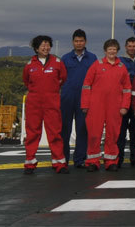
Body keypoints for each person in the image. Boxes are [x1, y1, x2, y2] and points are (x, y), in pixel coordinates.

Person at [81, 39, 131, 172]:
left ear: (117, 51)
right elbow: (86, 85)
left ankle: (111, 161)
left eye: (114, 49)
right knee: (94, 134)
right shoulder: (96, 65)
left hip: (115, 106)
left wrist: (125, 106)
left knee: (113, 134)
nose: (112, 51)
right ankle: (92, 161)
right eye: (110, 49)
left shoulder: (122, 67)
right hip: (95, 105)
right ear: (105, 51)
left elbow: (127, 88)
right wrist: (85, 104)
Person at [22, 35, 68, 174]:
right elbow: (26, 81)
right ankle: (30, 163)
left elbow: (63, 78)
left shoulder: (57, 62)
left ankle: (59, 163)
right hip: (34, 102)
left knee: (54, 132)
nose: (46, 48)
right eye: (42, 45)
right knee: (32, 133)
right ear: (36, 48)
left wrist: (51, 91)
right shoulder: (30, 64)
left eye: (48, 45)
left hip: (52, 101)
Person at [60, 29, 96, 168]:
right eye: (76, 41)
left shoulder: (92, 58)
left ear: (85, 42)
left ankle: (80, 159)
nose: (79, 43)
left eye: (81, 41)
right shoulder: (65, 58)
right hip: (67, 97)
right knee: (65, 128)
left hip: (85, 98)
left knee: (82, 129)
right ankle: (62, 158)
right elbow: (60, 78)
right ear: (72, 42)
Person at [117, 37, 135, 168]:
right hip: (122, 100)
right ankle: (118, 159)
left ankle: (134, 158)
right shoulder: (120, 61)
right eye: (129, 46)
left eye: (133, 46)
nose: (131, 48)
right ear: (125, 47)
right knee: (120, 131)